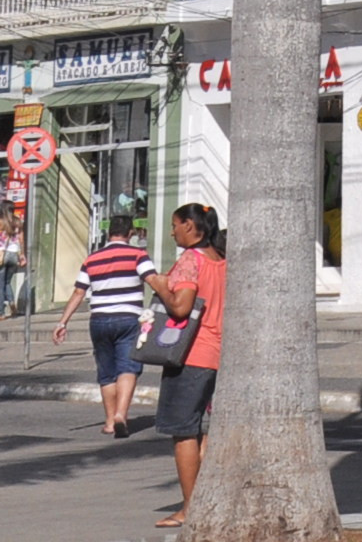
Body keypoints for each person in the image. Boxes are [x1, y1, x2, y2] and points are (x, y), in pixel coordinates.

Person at [146, 203, 228, 528]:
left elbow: (180, 308)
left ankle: (190, 507)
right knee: (200, 430)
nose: (172, 231)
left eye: (175, 225)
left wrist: (158, 285)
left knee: (183, 432)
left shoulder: (190, 261)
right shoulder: (220, 260)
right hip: (218, 353)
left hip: (191, 355)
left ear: (191, 226)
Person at [54, 212, 157, 437]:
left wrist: (62, 322)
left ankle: (110, 422)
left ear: (109, 232)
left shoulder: (92, 258)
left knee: (106, 372)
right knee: (128, 368)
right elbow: (152, 279)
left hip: (99, 321)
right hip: (129, 318)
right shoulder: (138, 254)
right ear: (130, 233)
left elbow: (79, 292)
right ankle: (121, 414)